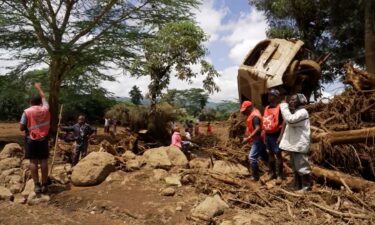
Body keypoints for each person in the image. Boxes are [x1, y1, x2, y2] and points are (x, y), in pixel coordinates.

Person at [20, 83, 50, 194]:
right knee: (44, 161)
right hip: (43, 139)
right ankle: (45, 184)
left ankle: (37, 185)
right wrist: (39, 88)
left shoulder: (27, 111)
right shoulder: (46, 109)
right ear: (40, 102)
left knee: (33, 161)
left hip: (31, 139)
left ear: (31, 102)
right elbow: (44, 97)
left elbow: (21, 128)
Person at [279, 94, 312, 192]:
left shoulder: (303, 112)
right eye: (290, 100)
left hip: (299, 145)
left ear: (300, 101)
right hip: (295, 145)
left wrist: (284, 106)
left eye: (293, 100)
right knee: (295, 167)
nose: (290, 101)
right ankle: (297, 185)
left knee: (302, 167)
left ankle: (306, 187)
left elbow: (290, 120)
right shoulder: (296, 112)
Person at [241, 101, 268, 181]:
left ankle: (255, 177)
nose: (244, 112)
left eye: (245, 110)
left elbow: (257, 128)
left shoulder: (255, 116)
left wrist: (248, 137)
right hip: (259, 139)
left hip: (258, 139)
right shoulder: (252, 114)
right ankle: (272, 171)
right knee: (264, 156)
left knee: (252, 157)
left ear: (250, 107)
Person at [262, 89, 285, 185]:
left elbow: (284, 122)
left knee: (278, 155)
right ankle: (272, 173)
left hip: (276, 135)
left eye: (270, 95)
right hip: (268, 135)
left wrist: (280, 136)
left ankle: (280, 175)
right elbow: (265, 121)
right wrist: (264, 134)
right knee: (270, 154)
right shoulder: (266, 108)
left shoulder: (280, 108)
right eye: (268, 95)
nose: (268, 97)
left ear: (275, 97)